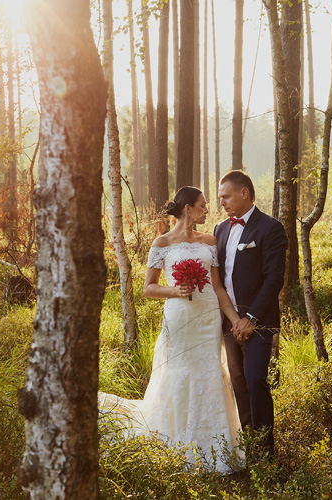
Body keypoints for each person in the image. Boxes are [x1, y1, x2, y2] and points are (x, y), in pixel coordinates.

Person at [99, 186, 243, 472]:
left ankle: (216, 449)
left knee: (210, 372)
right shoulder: (161, 243)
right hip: (179, 317)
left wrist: (234, 317)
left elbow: (216, 286)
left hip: (207, 317)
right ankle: (175, 444)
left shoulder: (210, 240)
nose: (207, 209)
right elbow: (148, 288)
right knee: (178, 373)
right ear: (187, 208)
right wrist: (175, 290)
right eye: (202, 205)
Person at [214, 170, 287, 457]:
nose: (222, 202)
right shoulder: (220, 229)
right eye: (220, 198)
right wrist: (233, 319)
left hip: (258, 323)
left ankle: (266, 454)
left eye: (226, 196)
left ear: (244, 193)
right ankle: (250, 451)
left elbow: (274, 279)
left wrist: (251, 318)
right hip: (229, 324)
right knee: (239, 384)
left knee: (256, 381)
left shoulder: (270, 228)